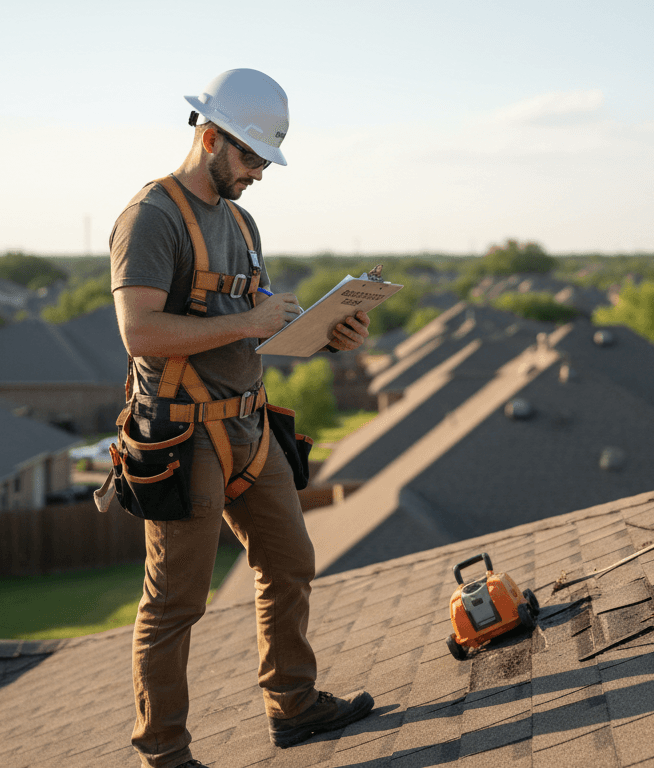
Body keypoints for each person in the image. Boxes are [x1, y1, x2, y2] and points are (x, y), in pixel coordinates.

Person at [109, 68, 374, 768]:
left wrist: (326, 330)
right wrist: (250, 320)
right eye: (251, 157)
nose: (259, 173)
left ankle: (293, 706)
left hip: (249, 427)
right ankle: (163, 752)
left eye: (264, 160)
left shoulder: (242, 222)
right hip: (181, 434)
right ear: (208, 136)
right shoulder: (151, 218)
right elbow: (140, 332)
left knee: (291, 563)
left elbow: (244, 325)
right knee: (175, 604)